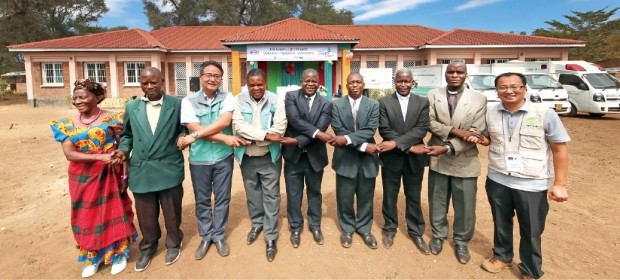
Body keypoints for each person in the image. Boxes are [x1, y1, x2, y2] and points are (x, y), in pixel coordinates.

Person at [468, 72, 569, 279]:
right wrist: (480, 139)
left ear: (525, 88)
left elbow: (560, 150)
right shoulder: (490, 112)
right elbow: (489, 139)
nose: (509, 91)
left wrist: (560, 184)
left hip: (531, 182)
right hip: (498, 178)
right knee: (501, 220)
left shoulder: (544, 113)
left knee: (531, 228)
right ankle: (502, 256)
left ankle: (531, 268)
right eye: (503, 87)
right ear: (497, 91)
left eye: (514, 86)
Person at [50, 79, 137, 278]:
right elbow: (70, 154)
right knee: (86, 216)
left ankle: (118, 254)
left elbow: (123, 146)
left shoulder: (113, 120)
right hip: (82, 177)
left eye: (83, 97)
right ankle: (92, 256)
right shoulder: (66, 125)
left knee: (114, 212)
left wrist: (125, 172)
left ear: (97, 98)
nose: (78, 101)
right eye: (75, 98)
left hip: (110, 174)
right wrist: (100, 156)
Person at [114, 67, 186, 272]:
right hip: (142, 167)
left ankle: (173, 242)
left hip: (168, 165)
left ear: (162, 81)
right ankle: (148, 245)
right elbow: (126, 135)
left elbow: (184, 128)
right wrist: (122, 151)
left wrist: (182, 138)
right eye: (145, 83)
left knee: (172, 211)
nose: (149, 86)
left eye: (153, 82)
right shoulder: (133, 106)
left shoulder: (177, 104)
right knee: (145, 213)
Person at [177, 60, 246, 260]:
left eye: (217, 76)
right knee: (203, 200)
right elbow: (193, 127)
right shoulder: (188, 101)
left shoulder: (227, 97)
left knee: (223, 198)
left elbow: (224, 121)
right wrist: (224, 137)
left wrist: (196, 135)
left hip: (223, 157)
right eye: (208, 75)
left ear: (221, 79)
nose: (212, 79)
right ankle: (206, 236)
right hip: (199, 159)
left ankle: (219, 236)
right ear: (201, 78)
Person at [423, 61, 487, 264]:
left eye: (460, 72)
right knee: (437, 201)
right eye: (451, 71)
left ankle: (461, 241)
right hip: (437, 157)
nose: (455, 75)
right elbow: (430, 122)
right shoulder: (434, 95)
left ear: (466, 74)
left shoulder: (479, 99)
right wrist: (456, 131)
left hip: (464, 159)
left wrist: (449, 146)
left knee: (465, 206)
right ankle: (438, 236)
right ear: (445, 74)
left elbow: (475, 133)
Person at [231, 68, 287, 262]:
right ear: (247, 85)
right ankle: (257, 224)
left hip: (268, 157)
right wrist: (265, 136)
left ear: (266, 84)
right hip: (246, 157)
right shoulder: (238, 100)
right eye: (252, 85)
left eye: (259, 84)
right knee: (253, 194)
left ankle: (270, 236)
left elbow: (279, 130)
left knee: (271, 196)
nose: (256, 88)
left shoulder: (277, 100)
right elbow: (239, 126)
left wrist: (254, 139)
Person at [377, 68, 430, 254]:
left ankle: (416, 231)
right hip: (392, 158)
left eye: (407, 81)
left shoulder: (422, 102)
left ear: (412, 82)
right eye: (400, 81)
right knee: (390, 195)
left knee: (414, 195)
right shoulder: (383, 102)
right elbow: (384, 130)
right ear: (395, 82)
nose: (403, 84)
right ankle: (390, 228)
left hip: (415, 158)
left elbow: (422, 129)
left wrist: (399, 144)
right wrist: (408, 146)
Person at [281, 68, 333, 248]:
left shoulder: (327, 104)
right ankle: (295, 226)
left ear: (319, 82)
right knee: (293, 193)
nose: (310, 84)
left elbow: (322, 126)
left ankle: (315, 225)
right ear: (301, 81)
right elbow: (294, 120)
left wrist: (296, 140)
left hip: (315, 156)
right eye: (306, 80)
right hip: (293, 157)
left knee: (314, 192)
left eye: (313, 81)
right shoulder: (291, 97)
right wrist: (317, 133)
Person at [328, 73, 380, 249]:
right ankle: (347, 228)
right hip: (345, 158)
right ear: (347, 85)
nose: (355, 85)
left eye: (358, 82)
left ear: (363, 84)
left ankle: (365, 229)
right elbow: (338, 130)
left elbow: (370, 130)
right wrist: (363, 146)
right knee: (345, 196)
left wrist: (348, 140)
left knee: (366, 196)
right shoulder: (336, 105)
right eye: (351, 82)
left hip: (367, 160)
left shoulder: (373, 104)